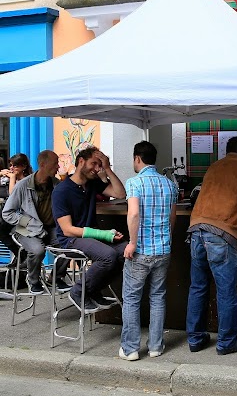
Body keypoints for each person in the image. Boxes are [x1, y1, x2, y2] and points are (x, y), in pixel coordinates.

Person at [186, 136, 237, 355]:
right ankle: (226, 342)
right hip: (222, 234)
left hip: (196, 231)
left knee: (198, 288)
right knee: (226, 291)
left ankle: (195, 339)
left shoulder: (214, 167)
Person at [119, 141, 178, 361]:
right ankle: (155, 346)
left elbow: (133, 214)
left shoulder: (134, 183)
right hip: (163, 249)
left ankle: (130, 349)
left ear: (137, 159)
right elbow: (172, 219)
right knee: (158, 297)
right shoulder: (170, 185)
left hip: (141, 251)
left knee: (132, 299)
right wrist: (166, 239)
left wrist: (132, 242)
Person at [52, 146, 127, 313]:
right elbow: (67, 230)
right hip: (71, 240)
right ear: (81, 161)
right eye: (94, 163)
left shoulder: (92, 184)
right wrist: (104, 234)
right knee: (108, 256)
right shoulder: (61, 191)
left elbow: (121, 193)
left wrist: (108, 168)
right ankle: (78, 291)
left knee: (126, 251)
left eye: (100, 165)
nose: (97, 168)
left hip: (91, 237)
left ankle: (92, 290)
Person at [1, 150, 66, 294]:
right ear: (43, 165)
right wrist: (28, 222)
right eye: (55, 163)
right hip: (24, 227)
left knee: (70, 243)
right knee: (37, 250)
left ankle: (55, 278)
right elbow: (7, 213)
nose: (58, 167)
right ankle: (33, 281)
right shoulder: (23, 185)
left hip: (49, 227)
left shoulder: (57, 184)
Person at [0, 153, 33, 262]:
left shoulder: (28, 180)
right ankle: (20, 255)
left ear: (24, 166)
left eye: (15, 166)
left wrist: (13, 178)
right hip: (14, 217)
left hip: (27, 219)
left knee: (14, 234)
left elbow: (13, 197)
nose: (11, 168)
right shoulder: (9, 180)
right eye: (11, 165)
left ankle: (23, 256)